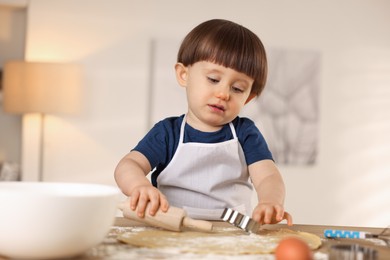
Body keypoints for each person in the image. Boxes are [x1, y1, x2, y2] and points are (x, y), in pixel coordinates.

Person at [114, 19, 293, 226]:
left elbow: (268, 176)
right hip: (171, 230)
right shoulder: (167, 132)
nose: (223, 94)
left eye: (237, 89)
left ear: (249, 98)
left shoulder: (245, 133)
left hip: (232, 232)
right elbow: (129, 165)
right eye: (214, 79)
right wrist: (139, 186)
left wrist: (270, 201)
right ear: (184, 75)